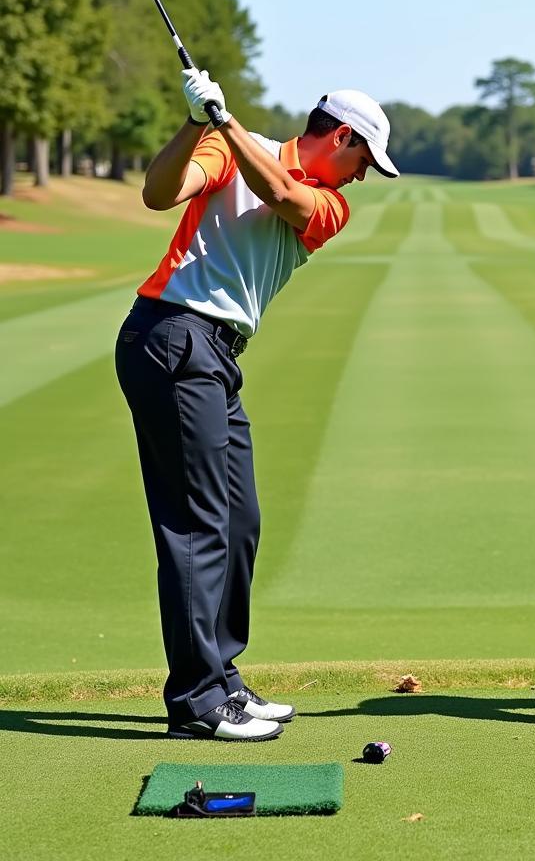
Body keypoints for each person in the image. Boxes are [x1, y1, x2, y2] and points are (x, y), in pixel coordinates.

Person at [115, 69, 399, 741]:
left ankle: (223, 678)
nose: (363, 176)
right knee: (199, 525)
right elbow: (159, 195)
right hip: (172, 335)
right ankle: (196, 701)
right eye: (365, 160)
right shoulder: (223, 148)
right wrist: (197, 124)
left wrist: (223, 120)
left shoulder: (328, 205)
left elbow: (280, 192)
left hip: (214, 356)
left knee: (239, 522)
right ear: (341, 135)